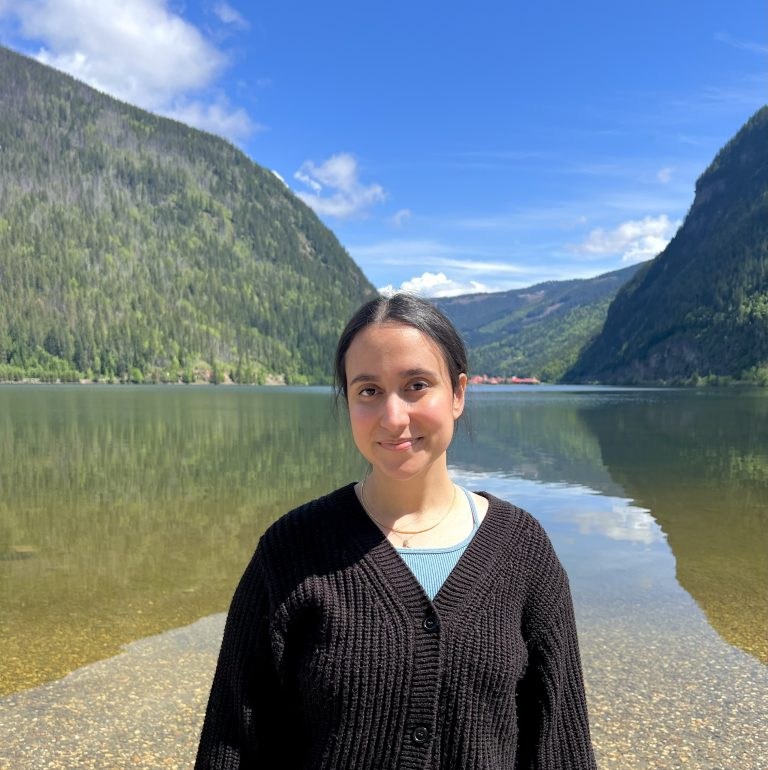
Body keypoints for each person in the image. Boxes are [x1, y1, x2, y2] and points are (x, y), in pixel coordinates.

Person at [195, 293, 596, 770]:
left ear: (458, 394)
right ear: (348, 401)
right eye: (368, 391)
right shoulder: (290, 550)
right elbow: (232, 744)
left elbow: (559, 745)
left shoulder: (523, 550)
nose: (393, 417)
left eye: (416, 385)